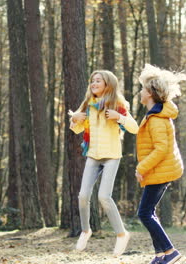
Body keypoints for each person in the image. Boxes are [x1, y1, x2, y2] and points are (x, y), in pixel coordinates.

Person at [69, 70, 139, 256]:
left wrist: (120, 117)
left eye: (98, 80)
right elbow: (76, 129)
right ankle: (85, 231)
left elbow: (134, 128)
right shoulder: (88, 104)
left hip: (111, 156)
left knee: (104, 197)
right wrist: (74, 120)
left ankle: (122, 234)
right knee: (83, 196)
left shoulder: (118, 104)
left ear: (108, 84)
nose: (93, 83)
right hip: (93, 155)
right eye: (92, 81)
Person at [135, 64, 186, 264]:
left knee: (144, 213)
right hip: (160, 170)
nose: (140, 92)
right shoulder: (155, 114)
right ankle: (160, 255)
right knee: (149, 212)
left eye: (142, 89)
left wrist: (141, 167)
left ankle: (170, 251)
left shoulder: (156, 118)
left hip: (160, 170)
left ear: (150, 93)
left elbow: (161, 149)